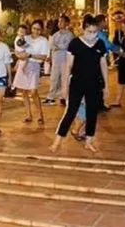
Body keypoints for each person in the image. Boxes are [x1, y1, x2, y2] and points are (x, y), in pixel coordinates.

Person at [49, 15, 109, 154]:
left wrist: (106, 86)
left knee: (92, 113)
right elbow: (68, 66)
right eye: (90, 32)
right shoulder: (75, 44)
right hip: (77, 82)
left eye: (95, 32)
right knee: (70, 112)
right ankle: (57, 141)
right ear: (83, 30)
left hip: (94, 84)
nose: (92, 35)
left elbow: (103, 65)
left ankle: (89, 141)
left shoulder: (100, 44)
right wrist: (64, 87)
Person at [13, 20, 49, 124]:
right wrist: (19, 56)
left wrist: (31, 55)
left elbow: (43, 57)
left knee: (33, 91)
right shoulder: (26, 37)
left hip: (34, 65)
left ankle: (40, 115)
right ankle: (28, 115)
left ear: (41, 30)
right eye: (34, 28)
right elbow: (17, 48)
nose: (36, 31)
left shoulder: (44, 41)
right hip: (23, 64)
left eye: (38, 29)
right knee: (24, 91)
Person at [45, 15, 75, 106]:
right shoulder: (55, 34)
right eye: (59, 22)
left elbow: (66, 46)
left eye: (62, 21)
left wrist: (58, 46)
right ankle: (51, 97)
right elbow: (52, 46)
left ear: (67, 23)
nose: (60, 23)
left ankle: (63, 97)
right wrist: (58, 47)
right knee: (54, 78)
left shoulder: (70, 35)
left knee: (64, 79)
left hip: (65, 59)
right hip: (56, 59)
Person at [95, 14, 120, 111]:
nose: (106, 23)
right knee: (100, 81)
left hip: (97, 59)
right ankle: (99, 104)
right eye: (104, 21)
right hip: (99, 59)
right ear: (100, 22)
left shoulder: (99, 32)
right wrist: (118, 50)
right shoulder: (100, 34)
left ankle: (99, 103)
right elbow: (107, 45)